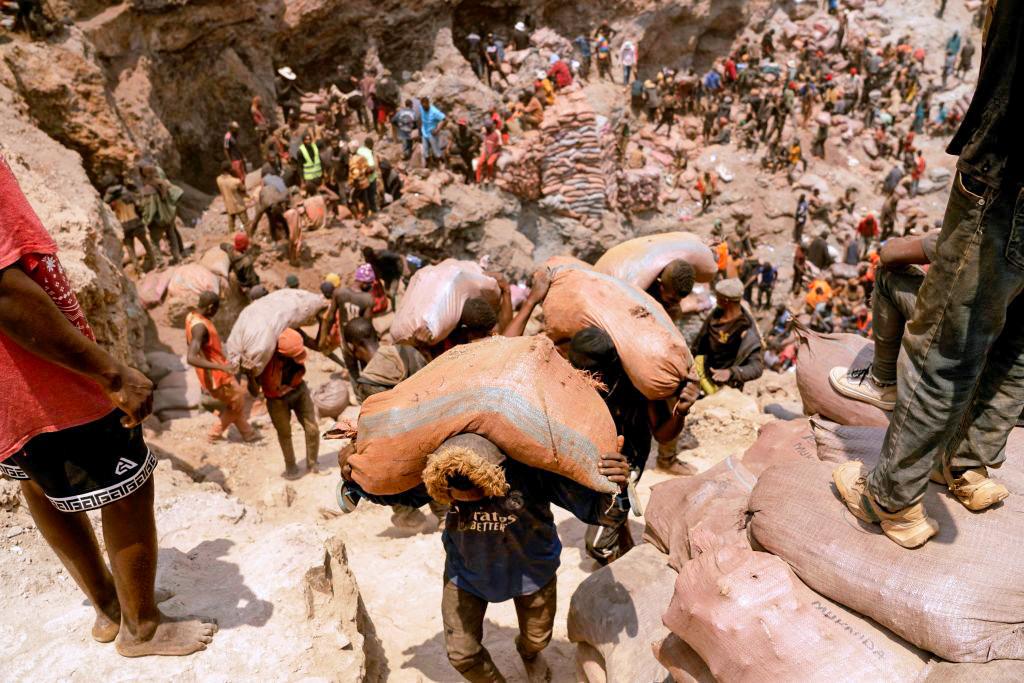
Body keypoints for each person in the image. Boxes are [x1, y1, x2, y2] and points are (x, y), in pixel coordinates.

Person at [0, 157, 216, 656]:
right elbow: (6, 292)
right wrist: (109, 372)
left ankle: (109, 607)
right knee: (128, 486)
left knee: (38, 481)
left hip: (8, 389)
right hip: (35, 375)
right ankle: (143, 628)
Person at [833, 0, 1020, 549]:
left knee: (944, 347)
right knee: (1015, 350)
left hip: (1007, 181)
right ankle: (967, 467)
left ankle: (890, 499)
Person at [340, 431, 629, 682]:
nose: (465, 506)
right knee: (462, 654)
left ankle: (528, 654)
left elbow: (600, 511)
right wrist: (355, 479)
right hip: (466, 572)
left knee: (537, 638)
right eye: (456, 501)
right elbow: (394, 492)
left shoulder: (531, 468)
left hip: (532, 569)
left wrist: (619, 486)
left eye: (480, 496)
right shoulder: (438, 472)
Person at [567, 327, 696, 561]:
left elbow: (663, 435)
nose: (582, 375)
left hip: (628, 463)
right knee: (615, 513)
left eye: (589, 371)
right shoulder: (573, 381)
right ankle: (623, 536)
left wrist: (681, 413)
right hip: (594, 461)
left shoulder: (636, 385)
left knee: (597, 545)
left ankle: (619, 566)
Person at [185, 292, 256, 444]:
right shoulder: (200, 328)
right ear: (210, 307)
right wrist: (221, 367)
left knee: (235, 403)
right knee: (239, 401)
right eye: (216, 309)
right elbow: (191, 357)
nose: (216, 313)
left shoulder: (191, 316)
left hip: (215, 373)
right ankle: (214, 434)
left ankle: (249, 434)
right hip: (217, 376)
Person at [249, 329, 319, 479]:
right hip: (276, 400)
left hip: (299, 389)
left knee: (312, 428)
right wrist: (250, 375)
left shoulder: (294, 346)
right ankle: (291, 467)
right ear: (280, 353)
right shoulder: (263, 361)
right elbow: (254, 392)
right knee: (284, 434)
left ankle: (313, 464)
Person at [692, 278, 764, 392]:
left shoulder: (745, 328)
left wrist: (731, 372)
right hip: (703, 373)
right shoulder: (716, 314)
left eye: (718, 297)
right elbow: (699, 342)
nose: (715, 299)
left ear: (726, 301)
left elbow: (757, 368)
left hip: (726, 388)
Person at [104, 180, 157, 273]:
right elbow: (139, 208)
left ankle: (139, 271)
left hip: (125, 226)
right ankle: (154, 263)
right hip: (136, 223)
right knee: (146, 244)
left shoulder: (113, 203)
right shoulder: (129, 197)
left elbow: (106, 204)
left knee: (130, 249)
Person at [138, 163, 183, 265]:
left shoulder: (147, 189)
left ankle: (160, 262)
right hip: (168, 216)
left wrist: (146, 220)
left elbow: (151, 209)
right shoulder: (164, 183)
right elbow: (178, 193)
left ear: (144, 175)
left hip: (157, 220)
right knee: (172, 235)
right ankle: (177, 257)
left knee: (154, 242)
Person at [220, 232, 260, 296]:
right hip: (245, 283)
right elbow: (252, 280)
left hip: (237, 276)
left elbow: (222, 245)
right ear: (245, 246)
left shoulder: (230, 249)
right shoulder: (246, 262)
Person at [216, 161, 250, 233]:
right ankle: (250, 238)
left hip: (229, 206)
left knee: (231, 228)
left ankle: (232, 240)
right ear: (230, 169)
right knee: (247, 225)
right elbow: (243, 188)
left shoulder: (218, 180)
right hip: (239, 206)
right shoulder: (235, 181)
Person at [420, 96, 447, 168]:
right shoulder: (421, 108)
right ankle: (428, 166)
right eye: (422, 106)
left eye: (425, 106)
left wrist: (437, 129)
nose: (424, 107)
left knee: (436, 151)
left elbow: (444, 119)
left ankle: (443, 164)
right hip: (424, 132)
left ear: (428, 103)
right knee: (425, 151)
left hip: (432, 133)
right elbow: (421, 118)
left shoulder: (434, 111)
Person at [356, 137, 379, 215]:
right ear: (371, 145)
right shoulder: (368, 152)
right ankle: (374, 212)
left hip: (360, 179)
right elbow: (371, 167)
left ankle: (366, 212)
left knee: (364, 198)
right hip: (370, 179)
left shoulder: (359, 150)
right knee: (371, 197)